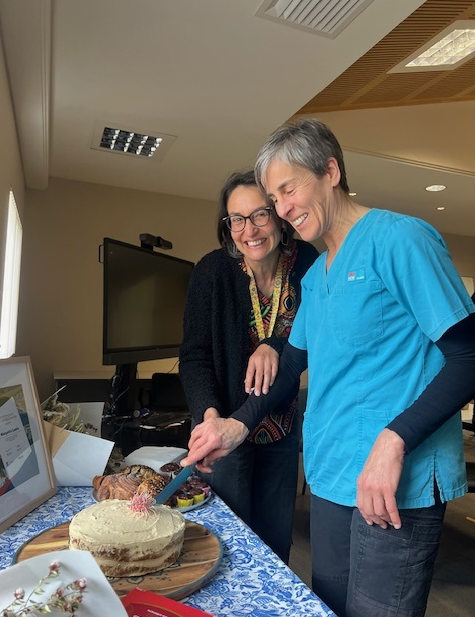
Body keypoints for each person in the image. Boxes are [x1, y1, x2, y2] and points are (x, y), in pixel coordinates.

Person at [181, 120, 475, 617]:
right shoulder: (317, 274)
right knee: (327, 607)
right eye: (275, 198)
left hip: (394, 484)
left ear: (331, 171)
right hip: (333, 479)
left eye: (288, 189)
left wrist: (394, 439)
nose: (282, 208)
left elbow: (468, 356)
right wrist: (235, 425)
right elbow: (294, 359)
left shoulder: (399, 238)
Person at [178, 169, 319, 563]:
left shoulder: (307, 263)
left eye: (259, 214)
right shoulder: (211, 271)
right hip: (222, 426)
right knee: (224, 543)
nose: (249, 230)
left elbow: (311, 338)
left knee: (275, 544)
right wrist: (208, 415)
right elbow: (194, 355)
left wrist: (274, 344)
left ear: (278, 215)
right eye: (236, 219)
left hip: (279, 423)